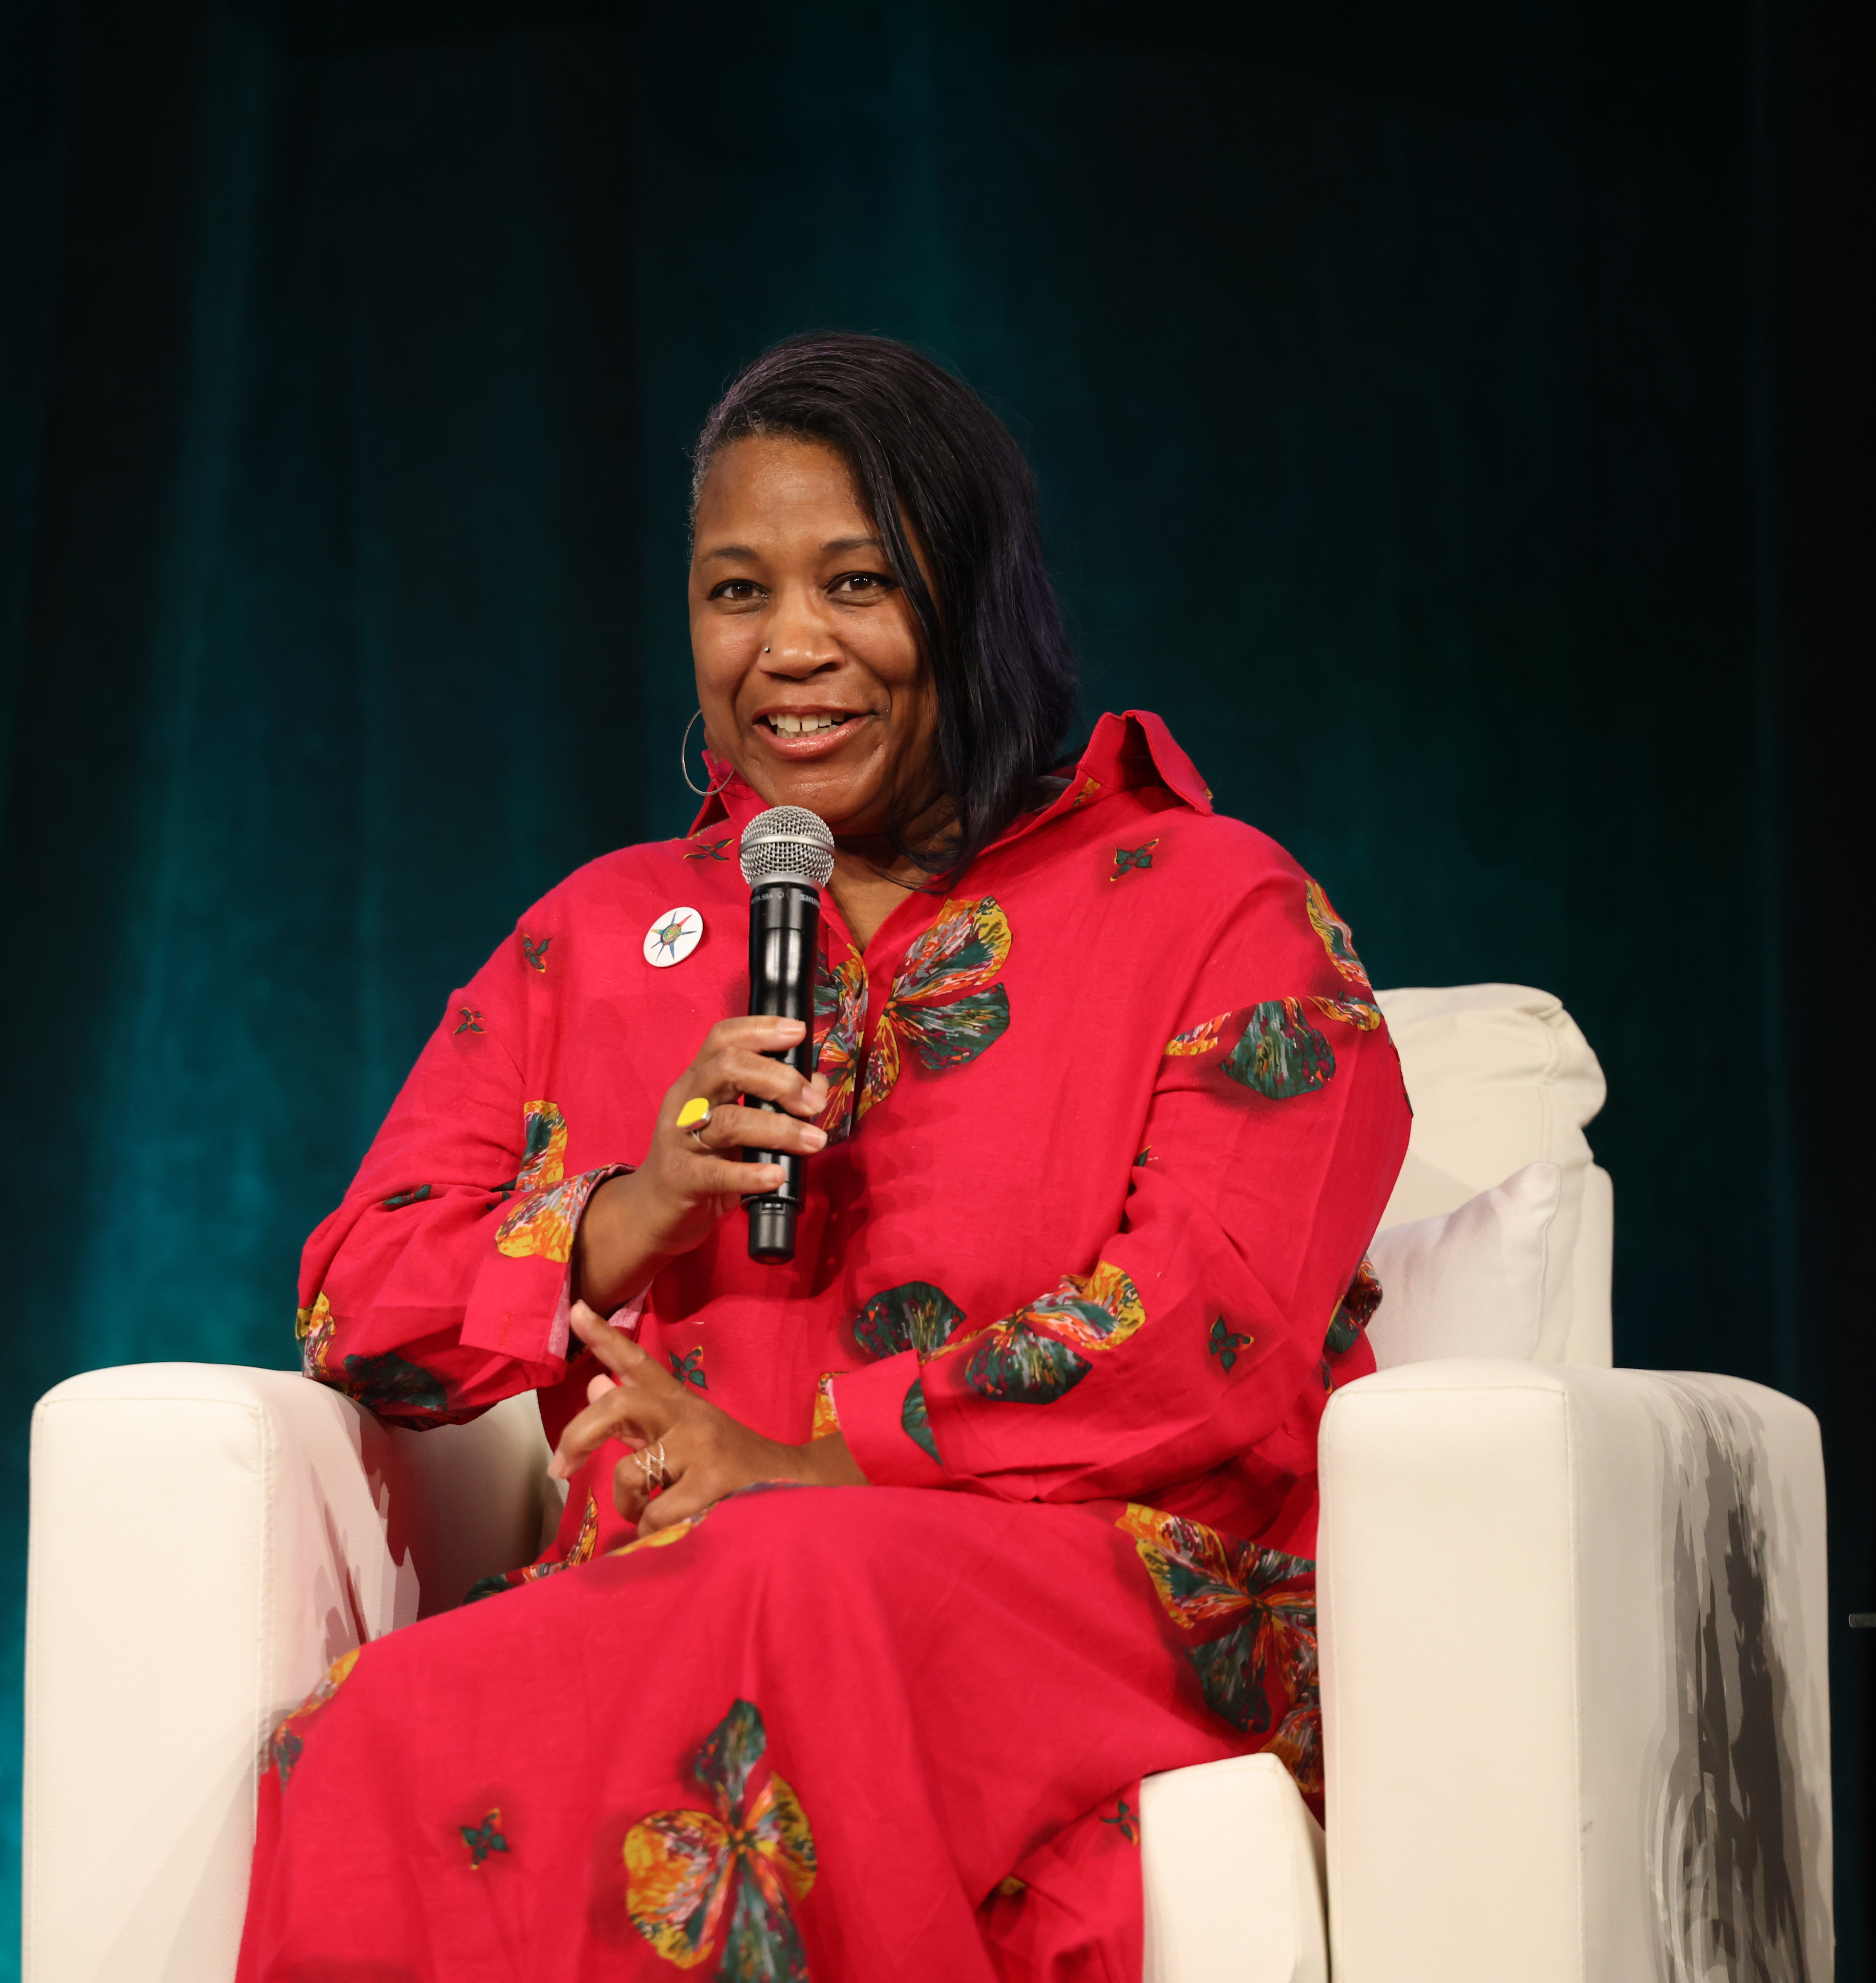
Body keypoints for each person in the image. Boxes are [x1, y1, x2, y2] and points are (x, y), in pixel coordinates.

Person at [241, 332, 1409, 1982]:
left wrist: (818, 1456)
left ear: (978, 600)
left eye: (858, 583)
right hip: (676, 1592)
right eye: (738, 593)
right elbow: (353, 1304)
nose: (791, 647)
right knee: (367, 1731)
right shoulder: (600, 936)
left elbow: (1210, 1328)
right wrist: (631, 1212)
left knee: (783, 1579)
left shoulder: (1217, 904)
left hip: (1101, 1599)